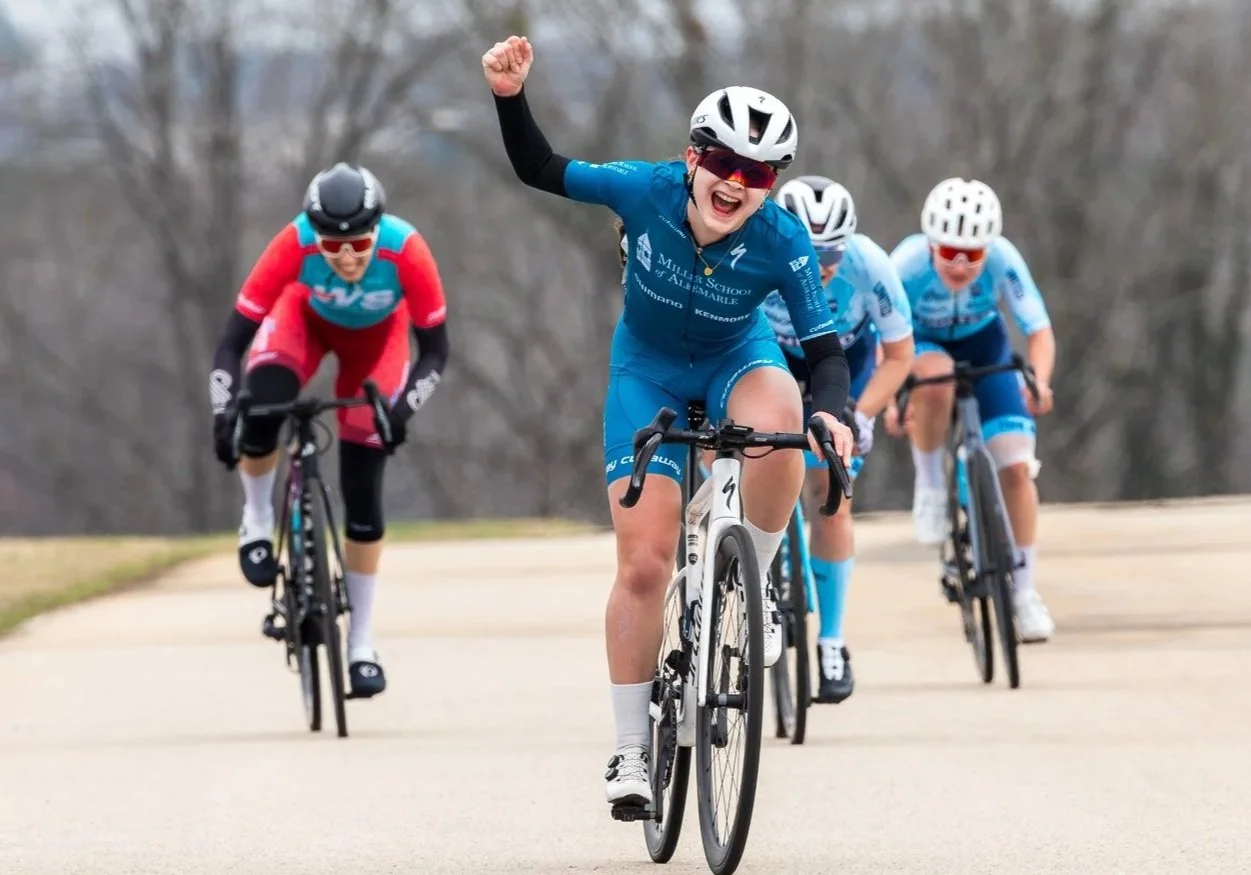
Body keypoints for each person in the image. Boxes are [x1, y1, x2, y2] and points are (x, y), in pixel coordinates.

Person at [480, 35, 855, 811]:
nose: (735, 184)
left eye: (757, 174)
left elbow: (821, 349)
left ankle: (753, 587)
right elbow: (539, 170)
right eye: (723, 163)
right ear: (692, 158)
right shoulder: (643, 190)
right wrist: (509, 96)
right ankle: (627, 750)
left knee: (784, 423)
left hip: (734, 361)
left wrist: (833, 413)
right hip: (645, 371)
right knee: (645, 565)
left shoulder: (781, 239)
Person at [208, 162, 451, 698]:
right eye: (331, 245)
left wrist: (401, 412)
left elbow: (435, 353)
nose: (345, 256)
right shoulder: (292, 243)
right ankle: (256, 516)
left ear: (378, 231)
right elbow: (230, 344)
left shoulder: (406, 250)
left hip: (377, 346)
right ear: (312, 234)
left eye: (359, 244)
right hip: (303, 325)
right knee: (262, 405)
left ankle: (361, 643)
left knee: (363, 493)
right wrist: (223, 412)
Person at [763, 175, 914, 703]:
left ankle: (831, 640)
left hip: (843, 365)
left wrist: (864, 411)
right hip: (775, 359)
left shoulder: (871, 266)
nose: (823, 263)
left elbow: (899, 356)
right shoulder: (756, 256)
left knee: (831, 498)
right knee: (759, 461)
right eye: (810, 249)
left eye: (832, 251)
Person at [887, 177, 1055, 643]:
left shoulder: (1004, 259)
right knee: (936, 379)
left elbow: (1037, 329)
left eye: (973, 255)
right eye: (948, 253)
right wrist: (894, 397)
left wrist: (1038, 381)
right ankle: (931, 483)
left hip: (986, 345)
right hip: (922, 345)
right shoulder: (904, 265)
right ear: (930, 244)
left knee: (1017, 469)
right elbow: (883, 340)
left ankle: (1024, 593)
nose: (960, 265)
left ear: (988, 249)